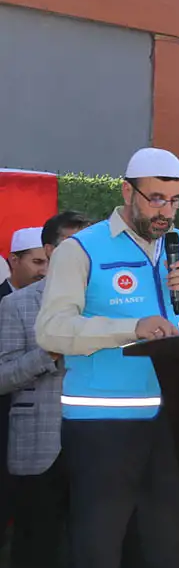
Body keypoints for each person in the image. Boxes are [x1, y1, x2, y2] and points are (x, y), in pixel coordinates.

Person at [35, 147, 179, 568]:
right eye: (155, 199)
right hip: (103, 425)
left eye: (174, 201)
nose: (166, 212)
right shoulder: (81, 249)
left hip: (173, 419)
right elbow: (51, 330)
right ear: (127, 191)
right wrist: (130, 327)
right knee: (98, 545)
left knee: (167, 544)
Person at [0, 222, 69, 568]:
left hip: (95, 441)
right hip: (36, 444)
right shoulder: (15, 306)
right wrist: (48, 354)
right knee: (36, 543)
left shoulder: (103, 302)